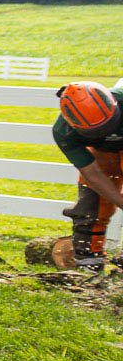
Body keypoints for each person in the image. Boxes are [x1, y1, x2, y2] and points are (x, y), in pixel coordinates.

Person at [53, 81, 123, 271]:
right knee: (92, 204)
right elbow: (92, 173)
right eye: (99, 131)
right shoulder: (64, 132)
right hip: (101, 152)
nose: (108, 131)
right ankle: (88, 261)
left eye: (110, 125)